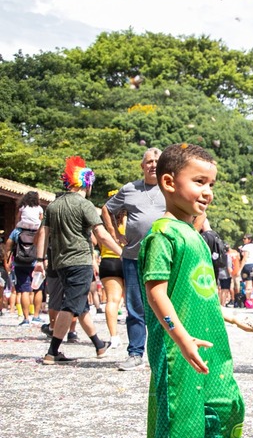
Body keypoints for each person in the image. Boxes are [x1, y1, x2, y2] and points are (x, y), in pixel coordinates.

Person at [135, 143, 253, 438]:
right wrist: (180, 337)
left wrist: (230, 316)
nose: (207, 191)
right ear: (169, 182)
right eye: (199, 182)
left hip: (210, 346)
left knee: (227, 408)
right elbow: (156, 292)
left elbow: (197, 293)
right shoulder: (163, 233)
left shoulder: (195, 235)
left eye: (211, 184)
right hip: (178, 349)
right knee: (180, 427)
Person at [33, 157, 124, 364]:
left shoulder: (53, 206)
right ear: (86, 183)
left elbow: (43, 235)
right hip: (80, 261)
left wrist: (40, 259)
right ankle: (52, 351)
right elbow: (100, 234)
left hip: (59, 262)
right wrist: (121, 251)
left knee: (80, 305)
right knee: (71, 305)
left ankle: (99, 346)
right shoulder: (86, 205)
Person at [102, 147, 165, 371]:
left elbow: (193, 213)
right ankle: (135, 353)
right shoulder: (130, 189)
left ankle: (164, 354)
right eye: (149, 161)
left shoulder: (171, 187)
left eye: (157, 161)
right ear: (142, 166)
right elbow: (107, 209)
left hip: (164, 259)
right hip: (133, 257)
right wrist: (115, 235)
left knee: (164, 306)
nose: (153, 165)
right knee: (135, 307)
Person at [98, 193, 126, 349]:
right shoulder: (129, 221)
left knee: (112, 300)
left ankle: (114, 336)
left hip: (108, 261)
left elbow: (97, 241)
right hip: (126, 260)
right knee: (132, 302)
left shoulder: (102, 224)